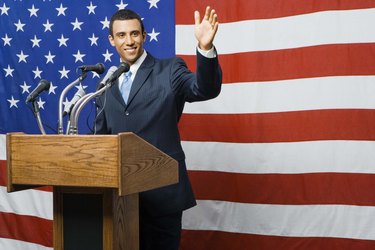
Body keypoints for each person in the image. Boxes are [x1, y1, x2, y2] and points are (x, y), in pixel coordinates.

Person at [94, 6, 222, 250]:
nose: (129, 41)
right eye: (121, 35)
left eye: (134, 34)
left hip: (162, 197)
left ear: (144, 36)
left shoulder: (170, 69)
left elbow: (204, 89)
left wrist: (205, 48)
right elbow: (100, 139)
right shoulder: (106, 83)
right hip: (118, 200)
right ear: (112, 40)